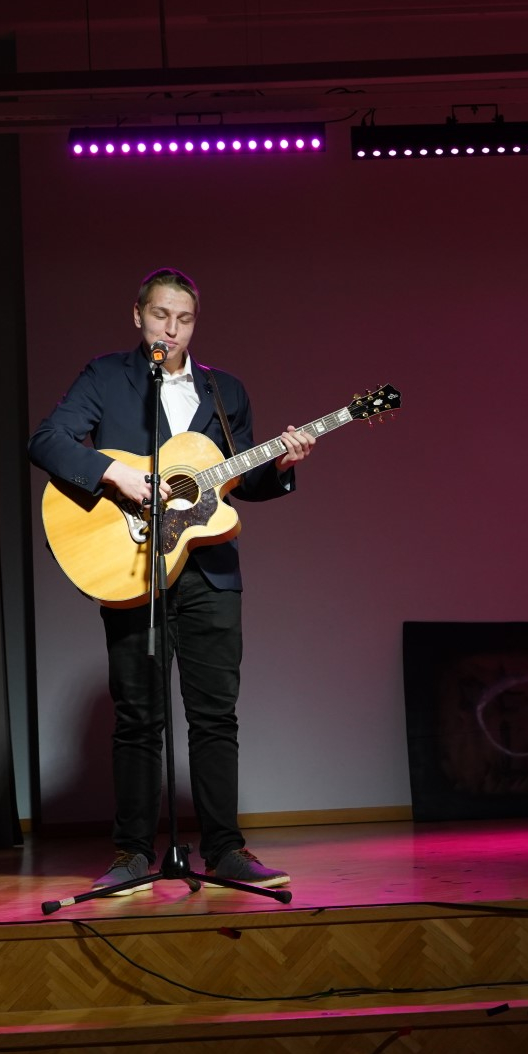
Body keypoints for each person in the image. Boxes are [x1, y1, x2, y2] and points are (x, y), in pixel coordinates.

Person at [29, 267, 314, 890]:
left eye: (183, 320)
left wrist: (281, 465)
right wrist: (117, 474)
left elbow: (237, 481)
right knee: (138, 716)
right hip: (136, 564)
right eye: (161, 316)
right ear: (138, 316)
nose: (171, 330)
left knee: (215, 715)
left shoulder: (224, 389)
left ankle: (226, 851)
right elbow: (46, 440)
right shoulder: (107, 377)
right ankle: (131, 855)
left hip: (211, 572)